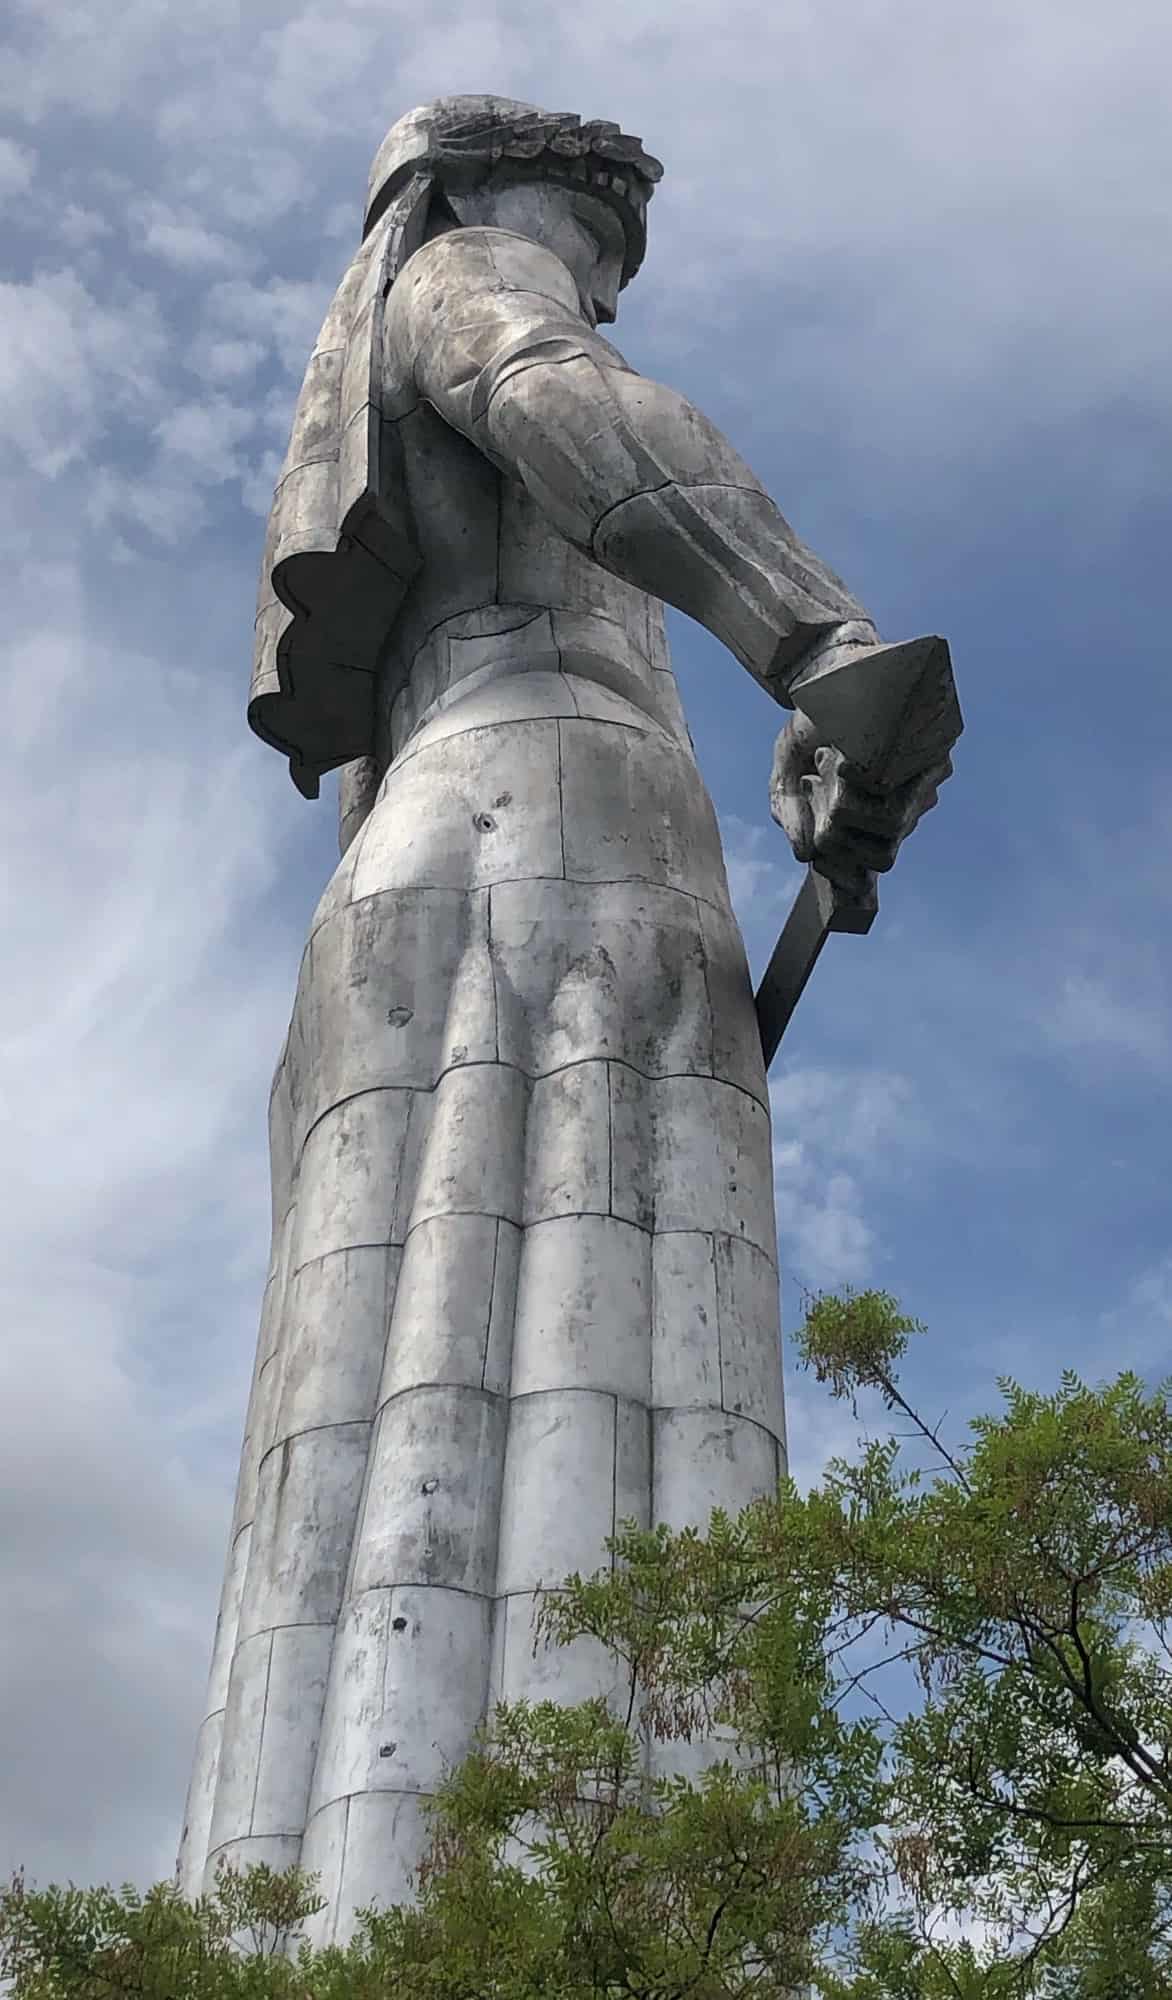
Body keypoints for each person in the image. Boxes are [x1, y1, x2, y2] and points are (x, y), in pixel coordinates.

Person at [178, 94, 948, 1945]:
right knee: (577, 1426)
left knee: (395, 1408)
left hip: (446, 860)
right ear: (490, 198)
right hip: (558, 846)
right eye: (598, 247)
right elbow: (562, 399)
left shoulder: (407, 454)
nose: (597, 294)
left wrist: (812, 783)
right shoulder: (469, 274)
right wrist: (820, 645)